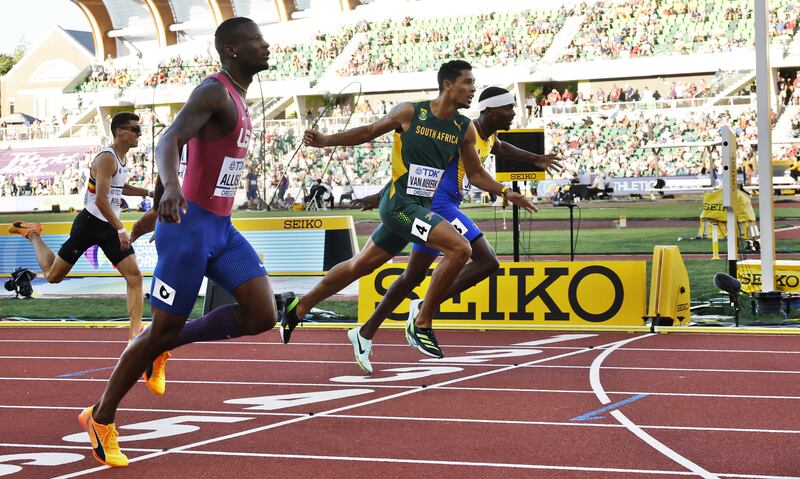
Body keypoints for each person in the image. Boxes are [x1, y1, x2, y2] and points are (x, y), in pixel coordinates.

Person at [78, 17, 281, 468]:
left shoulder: (240, 97)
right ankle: (100, 417)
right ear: (231, 49)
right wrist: (169, 189)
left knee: (261, 313)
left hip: (221, 229)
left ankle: (165, 344)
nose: (266, 47)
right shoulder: (214, 91)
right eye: (257, 41)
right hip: (189, 231)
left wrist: (160, 199)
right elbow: (169, 138)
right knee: (160, 329)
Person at [281, 61, 537, 359]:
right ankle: (422, 322)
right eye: (467, 82)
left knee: (360, 265)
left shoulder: (463, 128)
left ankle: (297, 309)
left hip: (422, 206)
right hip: (400, 205)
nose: (473, 89)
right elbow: (368, 131)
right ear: (448, 85)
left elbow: (477, 173)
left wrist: (506, 191)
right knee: (460, 250)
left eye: (473, 83)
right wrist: (326, 141)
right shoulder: (410, 112)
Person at [346, 87, 561, 373]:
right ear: (489, 110)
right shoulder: (462, 131)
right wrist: (384, 194)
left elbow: (499, 147)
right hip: (439, 206)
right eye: (508, 108)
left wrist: (533, 158)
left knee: (412, 276)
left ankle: (364, 333)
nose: (513, 113)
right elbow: (421, 167)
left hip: (440, 206)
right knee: (486, 260)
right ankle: (424, 309)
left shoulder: (488, 135)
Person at [8, 112, 151, 341]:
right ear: (119, 132)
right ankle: (32, 233)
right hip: (90, 224)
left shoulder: (123, 159)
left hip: (109, 226)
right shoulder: (107, 158)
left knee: (134, 277)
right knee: (53, 276)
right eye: (135, 129)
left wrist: (149, 192)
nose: (139, 134)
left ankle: (134, 336)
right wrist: (121, 230)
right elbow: (102, 200)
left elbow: (120, 186)